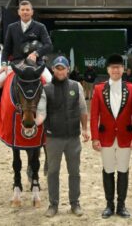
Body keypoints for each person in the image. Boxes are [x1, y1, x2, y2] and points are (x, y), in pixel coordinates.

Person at [90, 54, 132, 219]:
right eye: (112, 67)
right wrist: (95, 137)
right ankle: (109, 205)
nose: (115, 70)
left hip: (126, 137)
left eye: (118, 67)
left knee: (123, 170)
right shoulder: (98, 89)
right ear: (108, 70)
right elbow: (94, 116)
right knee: (108, 170)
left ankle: (121, 205)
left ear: (122, 69)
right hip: (105, 136)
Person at [40, 56, 90, 218]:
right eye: (57, 68)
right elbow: (41, 113)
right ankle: (53, 205)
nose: (60, 71)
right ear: (53, 69)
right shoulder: (45, 89)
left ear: (68, 69)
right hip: (53, 138)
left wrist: (85, 129)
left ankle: (75, 203)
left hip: (73, 138)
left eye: (63, 68)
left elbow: (82, 109)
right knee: (53, 172)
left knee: (74, 172)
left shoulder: (76, 86)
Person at [0, 0, 53, 102]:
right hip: (17, 64)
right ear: (19, 12)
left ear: (32, 12)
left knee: (50, 81)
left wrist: (36, 53)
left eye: (27, 10)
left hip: (36, 64)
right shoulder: (11, 27)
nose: (25, 12)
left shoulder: (40, 27)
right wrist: (3, 64)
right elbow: (6, 49)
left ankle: (51, 110)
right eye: (23, 10)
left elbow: (49, 45)